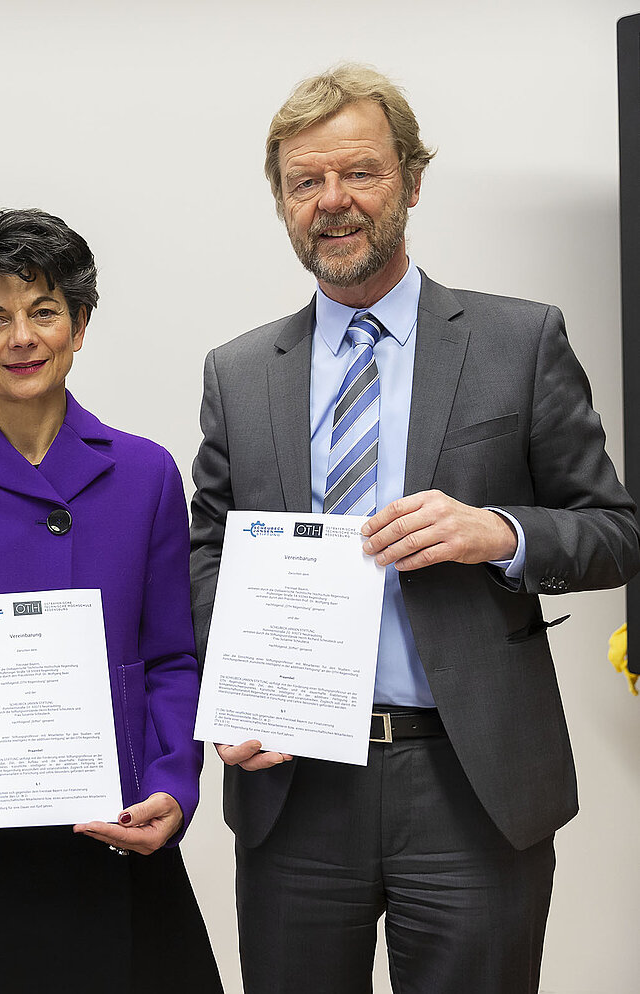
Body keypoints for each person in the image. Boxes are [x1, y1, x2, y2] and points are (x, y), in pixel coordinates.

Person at [189, 64, 640, 994]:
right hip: (296, 788)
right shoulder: (240, 372)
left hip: (471, 783)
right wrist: (233, 693)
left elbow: (614, 529)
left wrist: (501, 534)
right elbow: (210, 550)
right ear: (280, 200)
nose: (332, 202)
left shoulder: (520, 341)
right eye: (305, 182)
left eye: (360, 173)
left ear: (413, 181)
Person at [0, 208, 222, 992]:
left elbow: (171, 657)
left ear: (80, 326)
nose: (22, 337)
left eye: (44, 311)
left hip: (114, 837)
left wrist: (175, 782)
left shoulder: (147, 473)